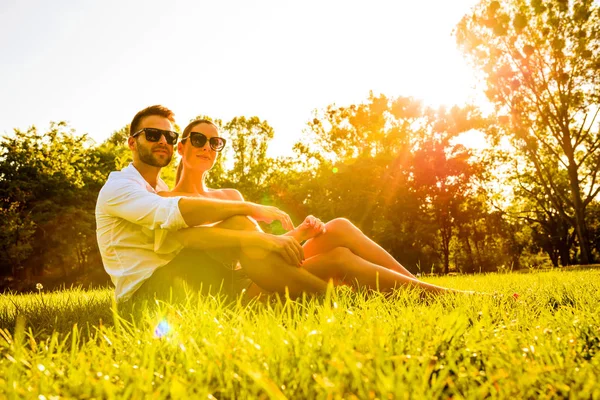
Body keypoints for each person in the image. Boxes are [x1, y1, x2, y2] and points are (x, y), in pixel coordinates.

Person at [154, 117, 472, 299]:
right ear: (181, 147)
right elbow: (242, 253)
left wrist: (302, 231)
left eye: (215, 143)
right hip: (240, 293)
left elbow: (269, 250)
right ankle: (446, 298)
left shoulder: (231, 194)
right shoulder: (168, 202)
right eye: (198, 140)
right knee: (340, 258)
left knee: (339, 226)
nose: (207, 148)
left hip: (267, 272)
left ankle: (422, 290)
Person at [95, 105, 317, 305]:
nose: (163, 141)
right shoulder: (121, 187)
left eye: (169, 136)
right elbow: (177, 212)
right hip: (148, 287)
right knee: (240, 236)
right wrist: (249, 209)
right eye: (153, 135)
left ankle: (314, 290)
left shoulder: (156, 187)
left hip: (180, 270)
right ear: (132, 143)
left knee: (252, 268)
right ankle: (324, 294)